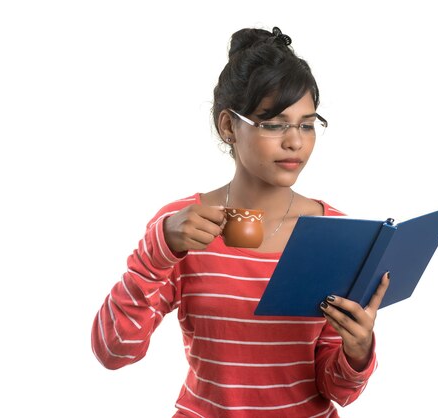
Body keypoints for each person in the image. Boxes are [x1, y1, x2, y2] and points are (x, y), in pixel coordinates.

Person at [91, 26, 390, 418]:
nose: (295, 142)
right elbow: (114, 352)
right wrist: (156, 251)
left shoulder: (336, 232)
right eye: (274, 123)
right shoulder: (181, 226)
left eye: (306, 123)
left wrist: (358, 349)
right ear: (229, 126)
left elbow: (338, 391)